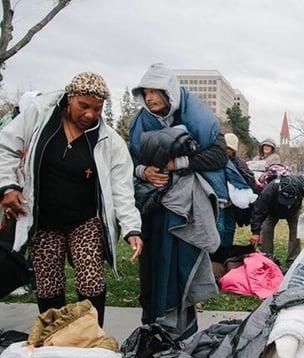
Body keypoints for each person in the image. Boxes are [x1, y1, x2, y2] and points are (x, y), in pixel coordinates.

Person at [0, 72, 143, 326]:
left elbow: (122, 189)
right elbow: (6, 147)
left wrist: (132, 228)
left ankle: (91, 337)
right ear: (70, 98)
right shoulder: (39, 116)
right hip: (44, 219)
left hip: (84, 221)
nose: (90, 114)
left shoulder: (110, 142)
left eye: (97, 109)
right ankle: (53, 339)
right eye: (83, 106)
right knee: (48, 283)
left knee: (90, 279)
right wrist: (8, 187)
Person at [129, 63, 227, 335]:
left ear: (169, 92)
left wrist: (177, 164)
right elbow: (129, 160)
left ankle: (180, 332)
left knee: (179, 268)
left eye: (155, 92)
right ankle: (152, 331)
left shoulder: (199, 121)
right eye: (145, 93)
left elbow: (218, 156)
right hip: (152, 207)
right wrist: (144, 171)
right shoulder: (141, 123)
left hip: (184, 209)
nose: (149, 98)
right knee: (153, 271)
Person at [250, 175, 304, 266]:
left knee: (296, 230)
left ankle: (293, 260)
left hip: (293, 210)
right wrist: (255, 232)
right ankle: (267, 257)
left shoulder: (301, 186)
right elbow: (258, 209)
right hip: (273, 210)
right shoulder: (270, 189)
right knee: (267, 229)